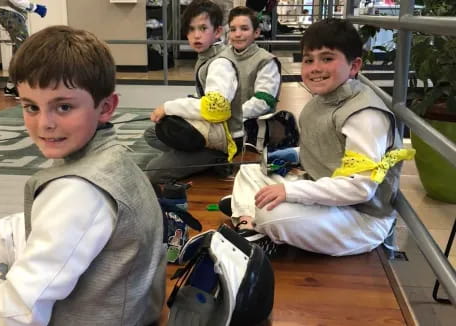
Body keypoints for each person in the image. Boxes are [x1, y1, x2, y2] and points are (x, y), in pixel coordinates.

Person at [0, 26, 165, 325]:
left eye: (64, 106)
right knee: (12, 230)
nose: (45, 123)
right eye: (31, 107)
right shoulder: (110, 159)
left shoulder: (78, 192)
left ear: (105, 107)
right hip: (130, 310)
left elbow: (17, 315)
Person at [222, 18, 415, 257]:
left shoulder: (364, 115)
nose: (315, 68)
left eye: (327, 58)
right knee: (252, 171)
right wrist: (293, 156)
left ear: (354, 66)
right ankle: (248, 224)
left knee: (272, 215)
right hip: (326, 196)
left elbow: (360, 188)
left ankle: (255, 218)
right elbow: (331, 150)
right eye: (308, 60)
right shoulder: (321, 102)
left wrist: (291, 192)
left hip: (360, 218)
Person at [144, 0, 243, 183]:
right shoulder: (208, 56)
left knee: (154, 171)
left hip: (225, 142)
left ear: (218, 32)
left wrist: (168, 107)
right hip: (212, 130)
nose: (196, 36)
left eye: (203, 28)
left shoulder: (220, 63)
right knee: (152, 133)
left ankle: (215, 160)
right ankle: (191, 155)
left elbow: (216, 108)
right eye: (191, 29)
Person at [223, 6, 281, 151]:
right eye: (233, 29)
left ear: (256, 32)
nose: (237, 34)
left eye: (244, 28)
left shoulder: (266, 61)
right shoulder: (222, 57)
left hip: (252, 133)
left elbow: (263, 102)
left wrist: (229, 117)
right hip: (222, 125)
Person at [0, 0, 47, 98]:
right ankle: (20, 86)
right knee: (24, 50)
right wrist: (36, 8)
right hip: (10, 14)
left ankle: (11, 86)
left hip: (11, 14)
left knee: (19, 50)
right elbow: (17, 1)